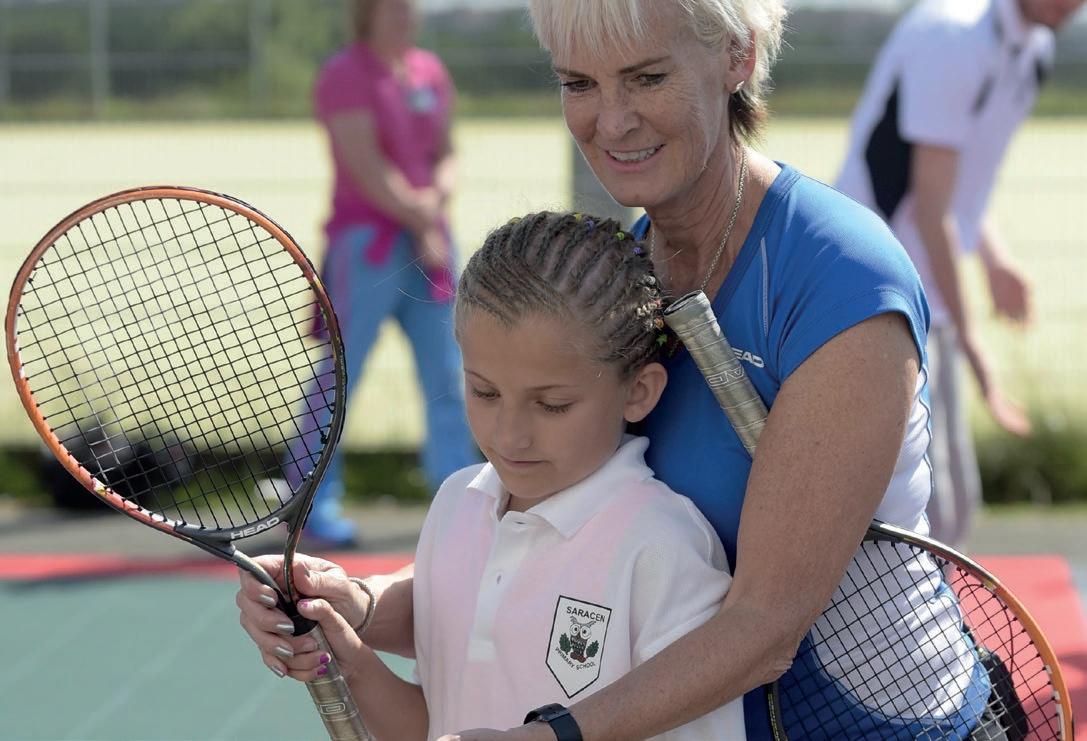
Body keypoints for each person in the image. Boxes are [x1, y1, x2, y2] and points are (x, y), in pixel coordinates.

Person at [238, 1, 990, 738]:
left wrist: (549, 737)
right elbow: (538, 560)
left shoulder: (839, 275)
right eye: (579, 83)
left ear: (738, 56)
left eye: (647, 78)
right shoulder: (614, 273)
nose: (612, 120)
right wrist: (356, 605)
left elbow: (765, 625)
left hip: (875, 723)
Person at [256, 211, 748, 740]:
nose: (510, 437)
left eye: (552, 405)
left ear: (639, 392)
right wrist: (347, 656)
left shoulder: (663, 547)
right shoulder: (457, 504)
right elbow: (435, 724)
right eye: (484, 392)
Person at [836, 0, 1084, 548]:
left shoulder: (1032, 50)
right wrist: (976, 348)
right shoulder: (952, 37)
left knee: (954, 505)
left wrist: (994, 261)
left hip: (928, 291)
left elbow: (958, 191)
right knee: (923, 506)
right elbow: (931, 210)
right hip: (875, 289)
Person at [293, 0, 477, 545]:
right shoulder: (344, 74)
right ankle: (310, 505)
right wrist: (421, 216)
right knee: (341, 376)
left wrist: (434, 202)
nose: (404, 15)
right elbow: (365, 164)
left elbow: (447, 152)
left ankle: (457, 503)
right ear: (365, 13)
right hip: (367, 247)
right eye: (391, 7)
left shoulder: (428, 70)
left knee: (448, 376)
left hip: (431, 245)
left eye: (408, 6)